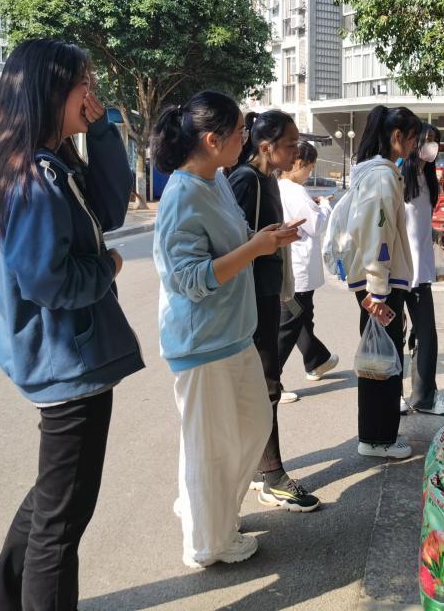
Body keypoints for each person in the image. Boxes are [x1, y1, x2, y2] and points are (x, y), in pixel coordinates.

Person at [0, 39, 144, 610]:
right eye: (81, 85)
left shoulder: (50, 164)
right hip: (69, 364)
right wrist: (108, 265)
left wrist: (105, 125)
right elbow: (49, 281)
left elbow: (112, 209)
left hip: (68, 360)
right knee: (62, 523)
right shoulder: (33, 177)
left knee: (51, 500)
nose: (90, 94)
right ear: (48, 92)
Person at [151, 91, 299, 568]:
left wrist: (266, 240)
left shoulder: (213, 179)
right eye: (239, 133)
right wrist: (257, 248)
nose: (246, 139)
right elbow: (191, 279)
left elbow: (237, 242)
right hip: (203, 343)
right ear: (213, 140)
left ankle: (207, 511)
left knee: (250, 429)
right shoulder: (181, 196)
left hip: (231, 335)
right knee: (211, 448)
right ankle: (207, 542)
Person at [229, 110, 321, 513]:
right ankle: (273, 477)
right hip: (251, 299)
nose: (296, 149)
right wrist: (270, 240)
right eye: (289, 142)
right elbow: (233, 244)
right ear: (265, 145)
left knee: (263, 384)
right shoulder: (246, 179)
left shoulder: (268, 179)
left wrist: (280, 238)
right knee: (266, 384)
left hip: (267, 294)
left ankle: (257, 469)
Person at [346, 105, 421, 458]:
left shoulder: (380, 173)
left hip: (382, 285)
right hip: (381, 287)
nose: (415, 146)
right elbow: (378, 237)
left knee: (382, 359)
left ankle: (376, 435)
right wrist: (378, 291)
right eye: (413, 139)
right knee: (382, 362)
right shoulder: (381, 177)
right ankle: (378, 439)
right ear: (396, 137)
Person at [400, 123, 444, 415]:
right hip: (398, 271)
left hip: (421, 272)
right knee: (395, 335)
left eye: (436, 140)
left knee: (426, 335)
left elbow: (419, 224)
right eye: (427, 140)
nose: (432, 146)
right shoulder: (400, 175)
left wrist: (438, 237)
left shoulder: (428, 178)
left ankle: (424, 397)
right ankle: (393, 394)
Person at [277, 141, 339, 382]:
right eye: (310, 168)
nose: (310, 173)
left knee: (301, 318)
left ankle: (316, 361)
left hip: (293, 267)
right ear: (300, 164)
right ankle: (270, 380)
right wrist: (324, 205)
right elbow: (316, 225)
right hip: (298, 271)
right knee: (290, 324)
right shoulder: (294, 190)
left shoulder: (282, 188)